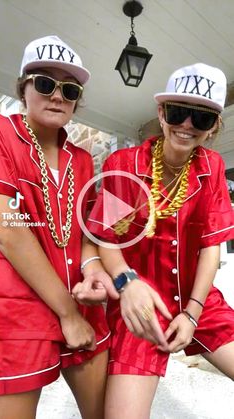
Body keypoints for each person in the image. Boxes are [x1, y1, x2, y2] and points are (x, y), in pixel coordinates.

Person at [73, 63, 234, 419]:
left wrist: (192, 313)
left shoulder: (213, 168)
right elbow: (105, 239)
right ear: (161, 113)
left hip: (198, 300)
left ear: (214, 128)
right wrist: (127, 283)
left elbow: (211, 245)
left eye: (202, 119)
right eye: (178, 112)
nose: (187, 125)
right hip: (140, 304)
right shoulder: (124, 165)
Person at [0, 35, 118, 419]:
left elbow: (85, 234)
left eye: (69, 89)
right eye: (45, 83)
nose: (57, 96)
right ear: (23, 88)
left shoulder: (81, 159)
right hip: (23, 311)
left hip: (84, 306)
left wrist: (91, 267)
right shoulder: (2, 134)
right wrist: (67, 314)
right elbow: (8, 228)